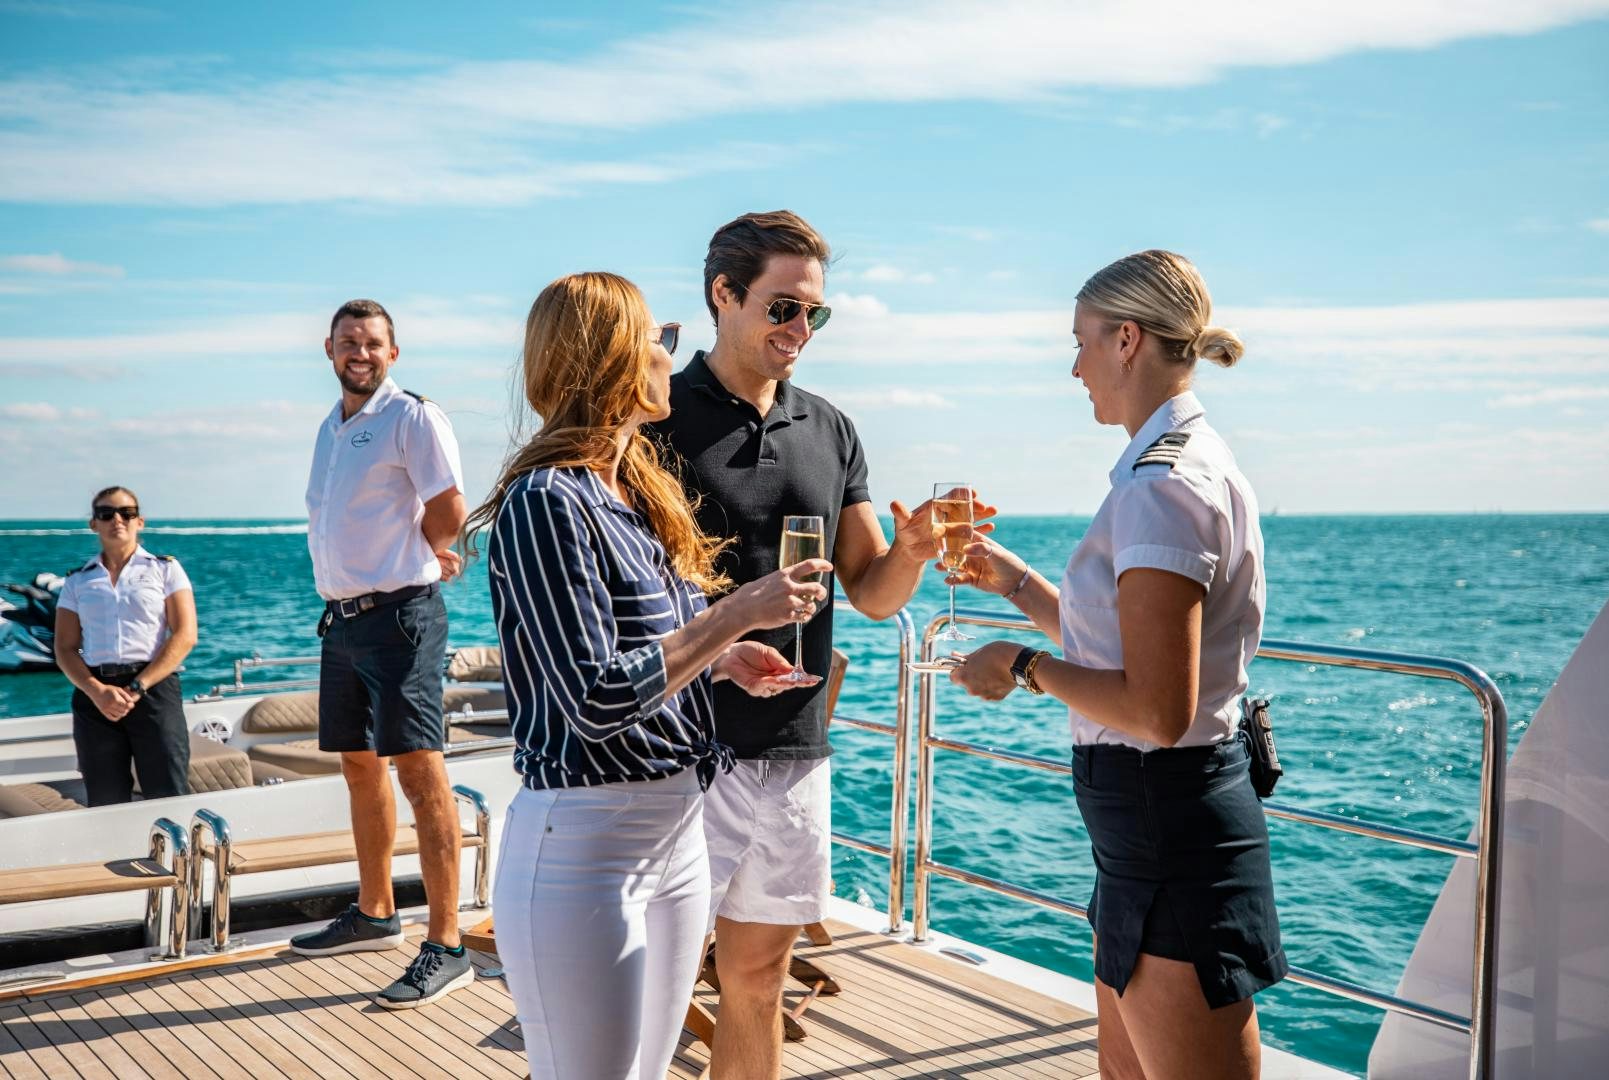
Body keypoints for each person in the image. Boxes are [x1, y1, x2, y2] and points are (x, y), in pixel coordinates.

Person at [646, 209, 991, 1080]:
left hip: (794, 747)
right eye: (782, 309)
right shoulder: (652, 420)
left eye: (814, 315)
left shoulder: (831, 429)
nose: (800, 330)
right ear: (723, 296)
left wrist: (911, 552)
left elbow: (871, 593)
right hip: (679, 749)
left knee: (757, 975)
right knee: (646, 982)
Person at [471, 271, 829, 1080]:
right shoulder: (545, 500)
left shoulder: (633, 493)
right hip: (585, 846)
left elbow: (645, 655)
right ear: (605, 362)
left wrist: (721, 661)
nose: (672, 354)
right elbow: (594, 699)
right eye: (656, 339)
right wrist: (730, 617)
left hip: (675, 834)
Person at [945, 250, 1286, 1080]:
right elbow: (1129, 652)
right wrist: (1017, 583)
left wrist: (1022, 664)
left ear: (1127, 340)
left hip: (1164, 817)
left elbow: (1155, 709)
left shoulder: (1161, 486)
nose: (1074, 367)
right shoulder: (1169, 466)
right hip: (1144, 826)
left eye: (1082, 343)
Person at [288, 298, 473, 1012]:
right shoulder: (331, 429)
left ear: (393, 353)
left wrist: (428, 554)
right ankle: (374, 912)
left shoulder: (412, 417)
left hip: (401, 619)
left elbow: (448, 506)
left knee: (422, 775)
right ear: (327, 350)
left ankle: (447, 944)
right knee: (359, 770)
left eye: (371, 343)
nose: (358, 353)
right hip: (341, 623)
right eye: (346, 342)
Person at [53, 487, 197, 806]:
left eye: (126, 513)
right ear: (94, 524)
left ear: (140, 521)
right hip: (96, 698)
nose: (117, 519)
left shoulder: (165, 569)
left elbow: (185, 634)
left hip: (153, 690)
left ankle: (172, 856)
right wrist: (96, 690)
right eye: (106, 514)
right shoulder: (78, 581)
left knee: (168, 793)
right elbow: (64, 647)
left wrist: (138, 686)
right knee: (106, 799)